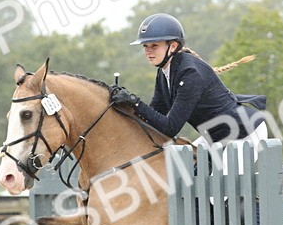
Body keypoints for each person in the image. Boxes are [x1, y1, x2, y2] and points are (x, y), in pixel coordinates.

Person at [110, 13, 266, 147]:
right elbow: (155, 114)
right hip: (216, 136)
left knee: (218, 180)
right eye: (145, 46)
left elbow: (171, 127)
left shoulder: (190, 73)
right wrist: (127, 108)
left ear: (173, 46)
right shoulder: (164, 73)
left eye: (154, 45)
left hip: (245, 133)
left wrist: (135, 102)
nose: (148, 51)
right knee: (184, 169)